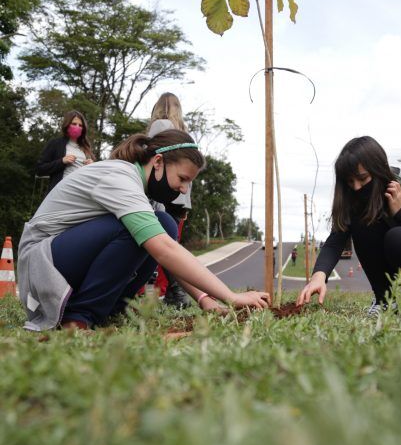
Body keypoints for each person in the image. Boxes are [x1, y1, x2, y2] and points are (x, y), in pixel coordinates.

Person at [18, 129, 269, 331]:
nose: (183, 190)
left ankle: (110, 309)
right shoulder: (119, 176)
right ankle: (79, 316)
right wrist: (231, 296)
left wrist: (205, 299)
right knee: (146, 229)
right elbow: (163, 250)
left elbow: (170, 254)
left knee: (165, 224)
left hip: (65, 261)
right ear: (158, 162)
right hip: (42, 265)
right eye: (182, 179)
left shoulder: (146, 195)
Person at [297, 136, 401, 316]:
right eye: (350, 182)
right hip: (396, 263)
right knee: (362, 222)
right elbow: (336, 239)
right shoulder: (354, 197)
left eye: (363, 178)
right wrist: (318, 277)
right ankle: (385, 301)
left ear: (378, 170)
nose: (357, 187)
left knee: (399, 237)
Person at [148, 92, 193, 307]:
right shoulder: (181, 131)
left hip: (171, 194)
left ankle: (172, 292)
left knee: (168, 243)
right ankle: (174, 293)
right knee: (167, 243)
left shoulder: (160, 125)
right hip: (172, 196)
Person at [36, 110, 95, 192]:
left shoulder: (86, 148)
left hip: (81, 192)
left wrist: (92, 167)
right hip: (61, 192)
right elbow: (40, 169)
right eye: (74, 124)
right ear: (67, 125)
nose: (77, 127)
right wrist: (62, 161)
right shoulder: (55, 143)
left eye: (80, 125)